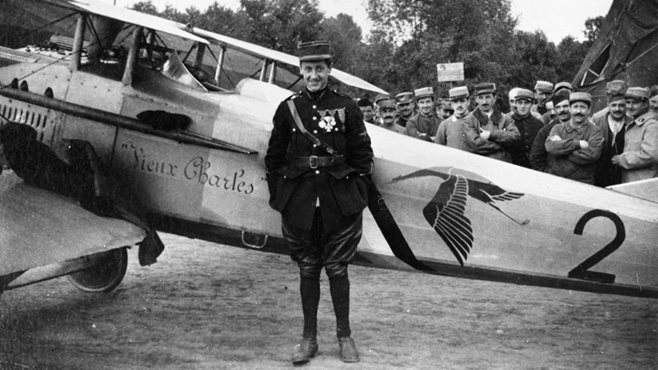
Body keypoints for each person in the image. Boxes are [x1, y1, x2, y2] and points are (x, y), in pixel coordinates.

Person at [264, 41, 373, 364]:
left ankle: (345, 337)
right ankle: (308, 339)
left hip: (338, 200)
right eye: (308, 69)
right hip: (300, 201)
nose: (314, 75)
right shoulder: (288, 108)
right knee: (308, 269)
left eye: (320, 69)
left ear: (329, 70)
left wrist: (354, 191)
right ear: (301, 71)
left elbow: (363, 158)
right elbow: (273, 158)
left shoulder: (347, 107)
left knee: (338, 269)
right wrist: (284, 196)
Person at [545, 92, 603, 184]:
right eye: (575, 107)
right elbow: (550, 147)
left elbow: (592, 155)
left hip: (583, 183)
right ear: (570, 109)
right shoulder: (558, 128)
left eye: (582, 107)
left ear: (589, 110)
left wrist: (561, 147)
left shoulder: (595, 131)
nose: (578, 111)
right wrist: (577, 144)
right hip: (556, 182)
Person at [462, 82, 520, 162]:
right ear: (476, 99)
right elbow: (476, 145)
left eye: (488, 97)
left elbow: (516, 138)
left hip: (504, 167)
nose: (484, 102)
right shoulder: (469, 120)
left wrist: (491, 135)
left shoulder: (505, 118)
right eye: (481, 98)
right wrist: (504, 144)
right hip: (481, 167)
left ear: (495, 98)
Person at [611, 87, 658, 183]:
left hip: (644, 182)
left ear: (645, 104)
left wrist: (621, 159)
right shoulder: (634, 123)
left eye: (635, 103)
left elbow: (650, 155)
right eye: (628, 102)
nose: (630, 106)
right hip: (632, 180)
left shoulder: (651, 125)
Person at [591, 80, 632, 187]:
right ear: (608, 105)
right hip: (600, 174)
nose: (617, 109)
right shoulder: (598, 120)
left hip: (623, 175)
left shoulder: (631, 122)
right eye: (614, 105)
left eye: (621, 105)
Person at [529, 89, 572, 172]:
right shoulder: (546, 131)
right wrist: (548, 174)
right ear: (555, 110)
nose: (562, 110)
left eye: (565, 106)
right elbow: (535, 158)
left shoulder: (582, 127)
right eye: (558, 107)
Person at [509, 89, 544, 168]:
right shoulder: (508, 121)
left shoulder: (539, 124)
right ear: (515, 104)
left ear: (532, 104)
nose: (523, 106)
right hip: (512, 165)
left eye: (526, 103)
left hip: (533, 167)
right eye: (520, 103)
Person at [435, 85, 471, 151]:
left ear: (468, 101)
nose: (459, 105)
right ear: (451, 104)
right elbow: (438, 149)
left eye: (462, 101)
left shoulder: (477, 121)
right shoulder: (445, 125)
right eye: (455, 102)